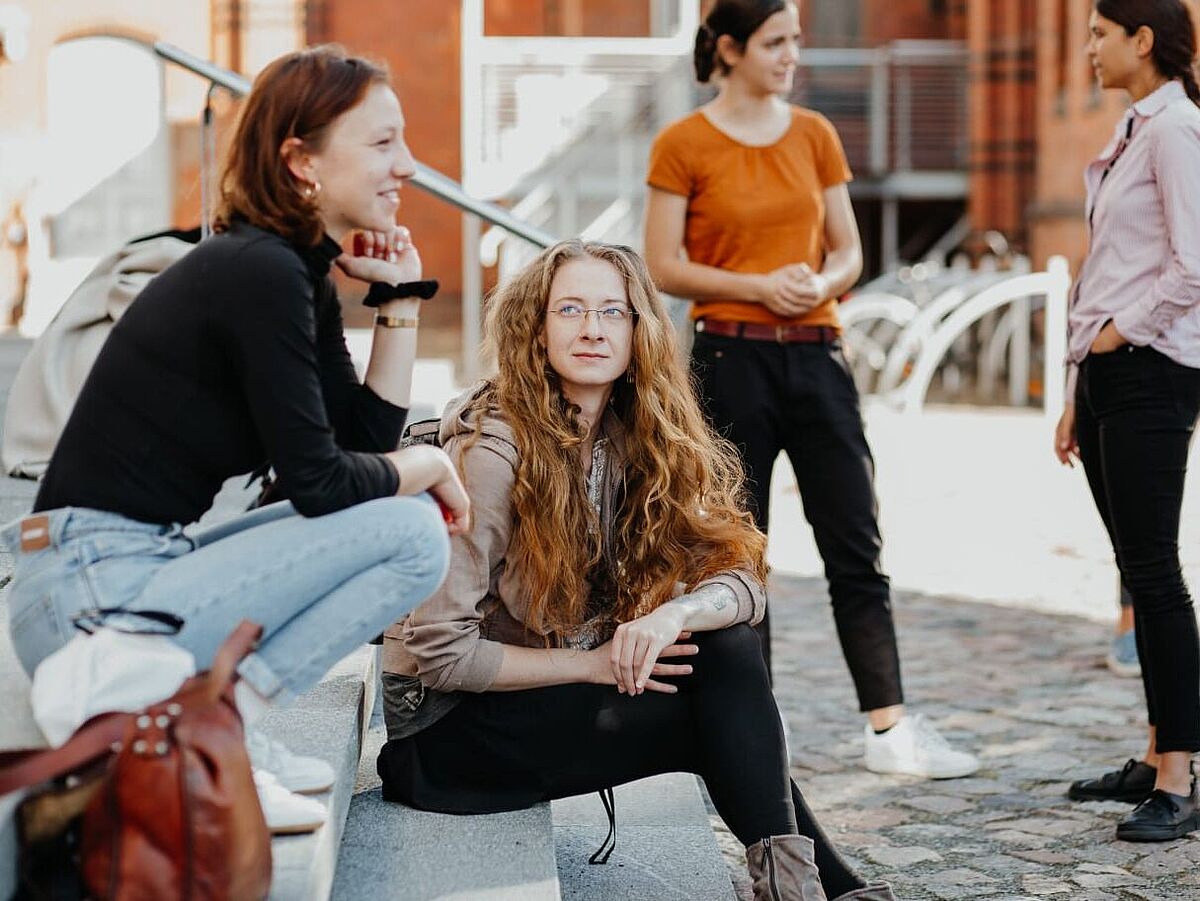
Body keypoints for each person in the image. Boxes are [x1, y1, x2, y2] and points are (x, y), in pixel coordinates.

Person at [1, 46, 468, 834]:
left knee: (409, 525)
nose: (409, 165)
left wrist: (397, 301)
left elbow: (356, 445)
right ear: (301, 159)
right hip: (87, 586)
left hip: (131, 567)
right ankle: (206, 734)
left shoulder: (291, 273)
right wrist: (427, 462)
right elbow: (326, 482)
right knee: (414, 529)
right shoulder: (258, 272)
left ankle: (215, 730)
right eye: (383, 142)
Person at [377, 240, 895, 901]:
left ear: (638, 332)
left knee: (725, 653)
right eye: (569, 309)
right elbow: (443, 656)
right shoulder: (491, 446)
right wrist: (593, 666)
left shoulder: (637, 436)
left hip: (529, 707)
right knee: (719, 704)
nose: (591, 328)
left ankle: (812, 892)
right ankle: (817, 891)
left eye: (611, 312)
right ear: (536, 328)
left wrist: (674, 612)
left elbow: (742, 584)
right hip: (445, 735)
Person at [641, 0, 978, 779]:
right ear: (729, 48)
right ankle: (751, 736)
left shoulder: (814, 134)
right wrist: (759, 285)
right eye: (777, 41)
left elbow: (848, 250)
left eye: (796, 39)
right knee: (738, 553)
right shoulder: (683, 141)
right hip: (729, 360)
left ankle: (889, 730)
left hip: (819, 359)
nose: (794, 53)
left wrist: (816, 282)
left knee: (855, 541)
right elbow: (662, 263)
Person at [1055, 0, 1200, 842]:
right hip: (1112, 376)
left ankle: (1181, 774)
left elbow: (1193, 265)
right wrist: (1080, 383)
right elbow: (1105, 269)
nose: (1091, 50)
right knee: (1136, 568)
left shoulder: (1177, 128)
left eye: (1101, 35)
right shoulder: (1134, 131)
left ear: (1143, 40)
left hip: (1153, 371)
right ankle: (1156, 751)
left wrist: (1117, 335)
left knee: (1155, 572)